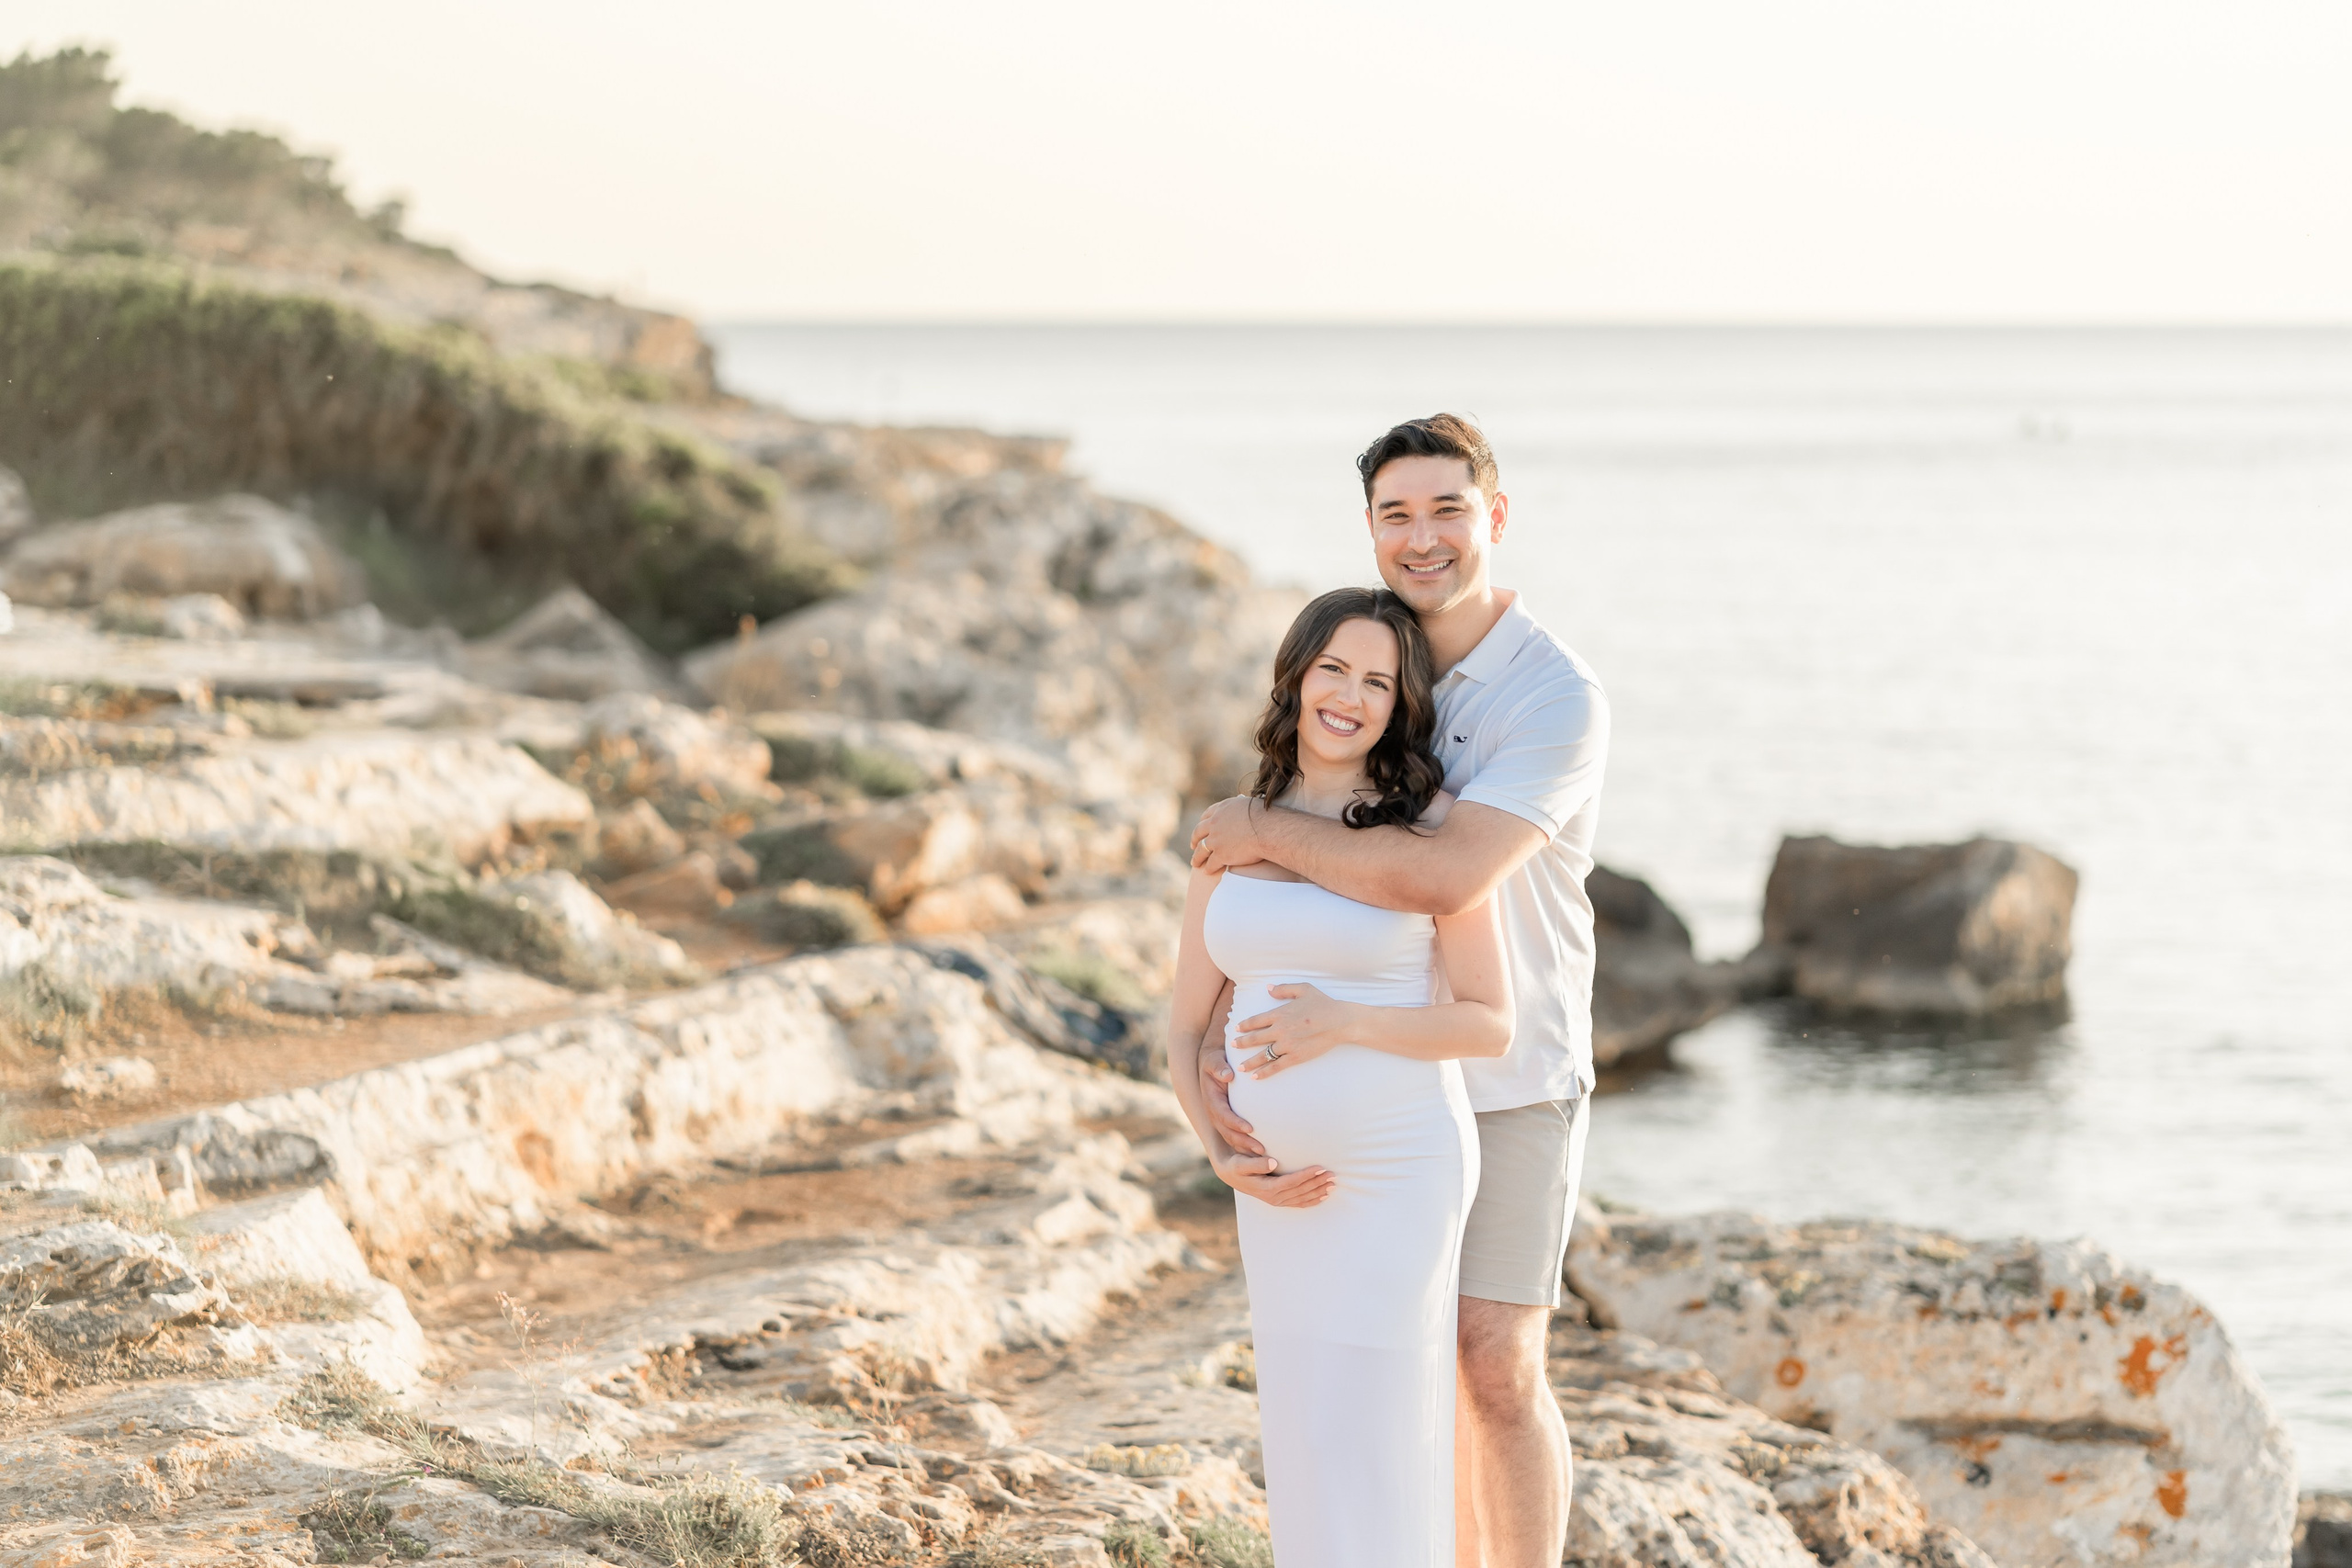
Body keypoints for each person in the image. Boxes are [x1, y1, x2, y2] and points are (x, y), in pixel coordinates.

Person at [1191, 414, 1608, 1568]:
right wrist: (1216, 1038)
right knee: (1394, 1369)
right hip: (1370, 1085)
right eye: (1396, 514)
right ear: (1371, 528)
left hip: (1507, 1068)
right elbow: (1298, 860)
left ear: (1494, 517)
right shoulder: (1377, 658)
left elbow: (1447, 876)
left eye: (1447, 511)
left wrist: (1259, 828)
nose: (1422, 538)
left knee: (1491, 1361)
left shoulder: (1551, 695)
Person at [1165, 585, 1515, 1568]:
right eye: (1334, 670)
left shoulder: (1435, 829)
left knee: (1387, 1417)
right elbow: (1184, 1025)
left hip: (1402, 1169)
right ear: (1297, 676)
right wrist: (1219, 1152)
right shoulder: (1232, 828)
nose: (1349, 697)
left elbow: (1489, 1022)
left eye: (1377, 682)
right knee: (1308, 1420)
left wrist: (1346, 1020)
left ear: (1400, 706)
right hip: (1278, 1191)